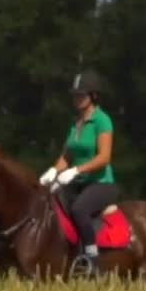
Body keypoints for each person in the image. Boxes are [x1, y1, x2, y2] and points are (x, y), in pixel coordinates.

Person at [38, 70, 119, 278]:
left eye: (81, 95)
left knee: (79, 208)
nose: (76, 99)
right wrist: (52, 172)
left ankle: (91, 258)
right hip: (78, 182)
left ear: (93, 96)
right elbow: (66, 156)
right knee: (50, 203)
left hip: (101, 183)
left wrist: (76, 170)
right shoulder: (76, 125)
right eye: (75, 95)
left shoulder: (102, 121)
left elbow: (104, 157)